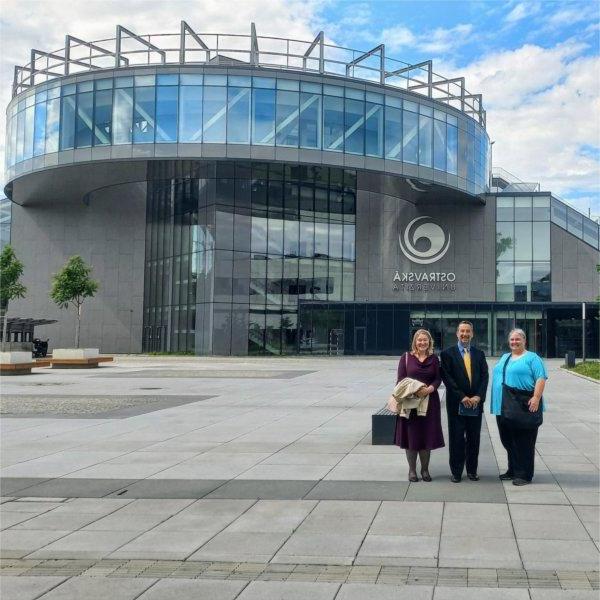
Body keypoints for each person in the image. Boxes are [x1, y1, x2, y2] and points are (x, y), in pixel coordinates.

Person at [490, 328, 547, 486]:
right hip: (502, 406)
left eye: (518, 339)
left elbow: (541, 378)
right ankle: (513, 469)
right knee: (507, 439)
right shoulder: (505, 357)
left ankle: (524, 474)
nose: (514, 342)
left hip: (522, 405)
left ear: (524, 340)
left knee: (524, 441)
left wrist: (536, 397)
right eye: (512, 340)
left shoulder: (532, 358)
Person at [390, 329, 444, 482]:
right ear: (415, 342)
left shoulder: (434, 359)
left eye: (425, 340)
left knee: (427, 436)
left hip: (430, 403)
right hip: (410, 403)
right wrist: (414, 390)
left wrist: (429, 389)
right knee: (411, 436)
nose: (422, 343)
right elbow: (400, 380)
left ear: (429, 342)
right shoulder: (406, 358)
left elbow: (438, 379)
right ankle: (412, 471)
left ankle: (425, 470)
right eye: (419, 340)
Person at [440, 321, 489, 483]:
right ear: (457, 333)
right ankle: (456, 472)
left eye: (468, 331)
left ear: (472, 334)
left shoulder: (479, 354)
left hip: (475, 404)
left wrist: (478, 397)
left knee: (474, 438)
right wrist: (462, 396)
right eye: (462, 331)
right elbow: (447, 378)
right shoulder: (447, 354)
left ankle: (472, 471)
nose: (465, 334)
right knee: (456, 438)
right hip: (456, 404)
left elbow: (484, 377)